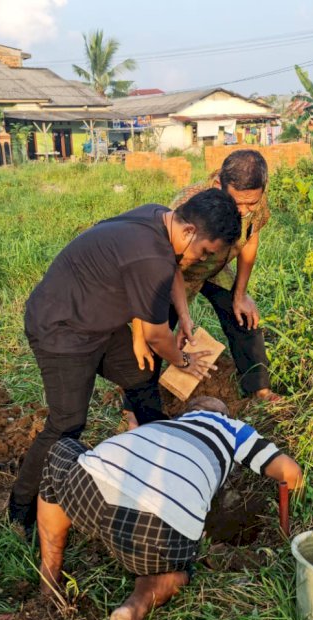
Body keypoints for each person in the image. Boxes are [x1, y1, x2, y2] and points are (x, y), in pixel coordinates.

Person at [8, 190, 242, 535]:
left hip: (96, 323)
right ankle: (20, 511)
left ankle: (155, 461)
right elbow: (156, 337)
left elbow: (176, 270)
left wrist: (185, 314)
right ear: (190, 230)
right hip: (61, 329)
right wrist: (185, 361)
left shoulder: (161, 218)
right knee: (66, 424)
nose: (202, 259)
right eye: (205, 251)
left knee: (141, 373)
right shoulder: (150, 256)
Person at [35, 395, 304, 620]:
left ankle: (49, 581)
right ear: (225, 413)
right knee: (174, 573)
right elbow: (291, 474)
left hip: (90, 487)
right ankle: (133, 609)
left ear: (188, 412)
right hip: (160, 529)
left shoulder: (162, 426)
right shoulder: (235, 430)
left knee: (61, 453)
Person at [126, 150, 277, 428]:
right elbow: (160, 266)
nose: (243, 210)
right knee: (154, 333)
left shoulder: (255, 202)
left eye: (251, 203)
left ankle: (260, 390)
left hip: (217, 268)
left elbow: (251, 241)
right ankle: (134, 411)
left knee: (245, 319)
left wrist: (241, 294)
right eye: (238, 202)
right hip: (176, 272)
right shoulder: (189, 204)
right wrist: (175, 318)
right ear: (219, 183)